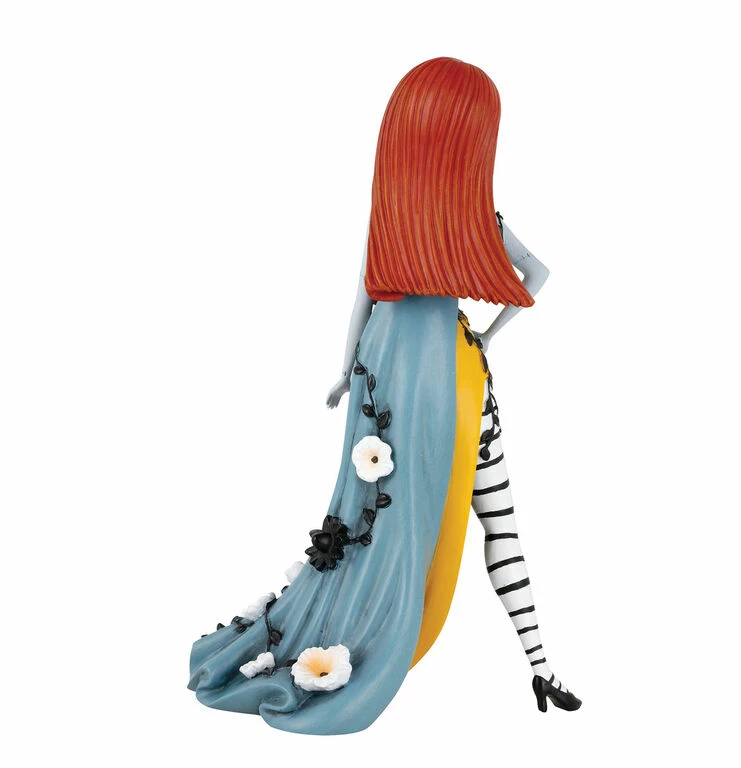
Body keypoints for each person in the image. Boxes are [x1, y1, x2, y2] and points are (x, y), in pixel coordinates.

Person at [188, 56, 580, 735]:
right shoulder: (473, 219)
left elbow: (364, 298)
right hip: (452, 381)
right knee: (495, 515)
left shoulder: (398, 214)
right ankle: (540, 665)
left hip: (391, 378)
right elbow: (537, 273)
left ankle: (536, 664)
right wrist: (486, 336)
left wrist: (347, 371)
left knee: (385, 511)